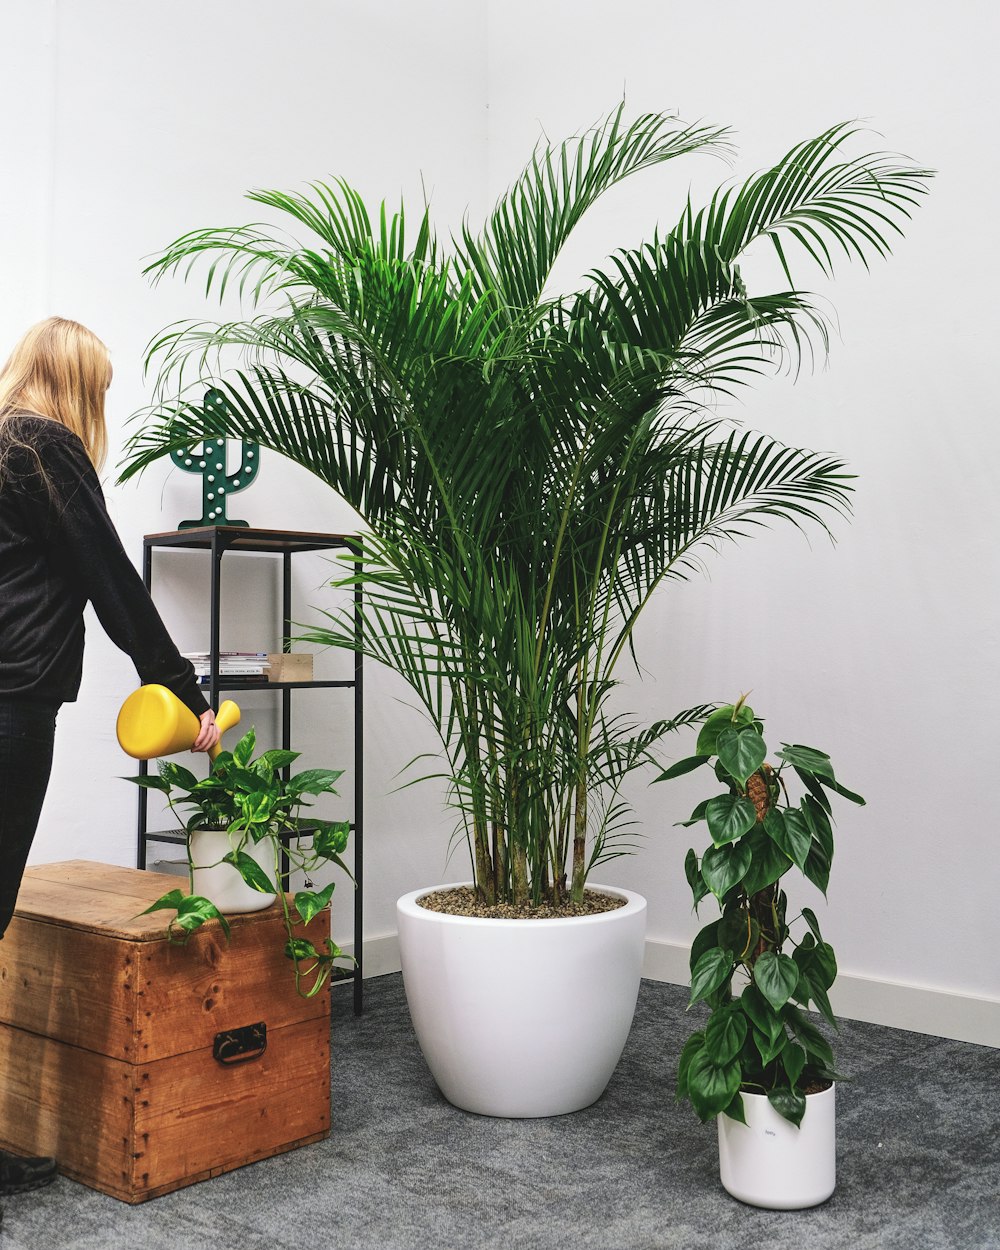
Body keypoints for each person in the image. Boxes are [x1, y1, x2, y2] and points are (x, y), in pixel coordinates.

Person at [0, 317, 220, 1198]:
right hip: (11, 702)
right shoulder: (44, 447)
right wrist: (183, 689)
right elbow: (110, 579)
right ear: (77, 385)